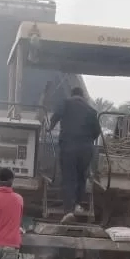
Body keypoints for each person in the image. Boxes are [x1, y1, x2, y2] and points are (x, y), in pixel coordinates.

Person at [49, 87, 101, 223]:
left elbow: (56, 116)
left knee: (69, 178)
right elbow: (97, 131)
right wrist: (87, 140)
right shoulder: (91, 110)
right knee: (81, 177)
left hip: (69, 147)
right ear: (83, 96)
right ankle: (78, 204)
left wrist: (50, 127)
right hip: (86, 149)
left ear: (72, 94)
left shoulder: (66, 103)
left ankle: (68, 211)